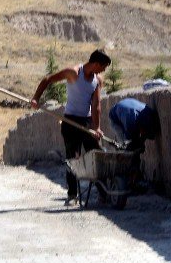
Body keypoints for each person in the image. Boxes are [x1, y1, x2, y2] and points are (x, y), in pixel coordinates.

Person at [30, 49, 111, 201]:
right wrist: (36, 98)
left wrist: (97, 127)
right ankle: (72, 194)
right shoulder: (73, 72)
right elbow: (47, 79)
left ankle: (104, 193)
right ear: (96, 63)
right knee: (73, 159)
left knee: (96, 155)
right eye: (103, 66)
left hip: (86, 123)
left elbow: (96, 105)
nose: (104, 70)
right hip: (70, 121)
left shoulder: (97, 80)